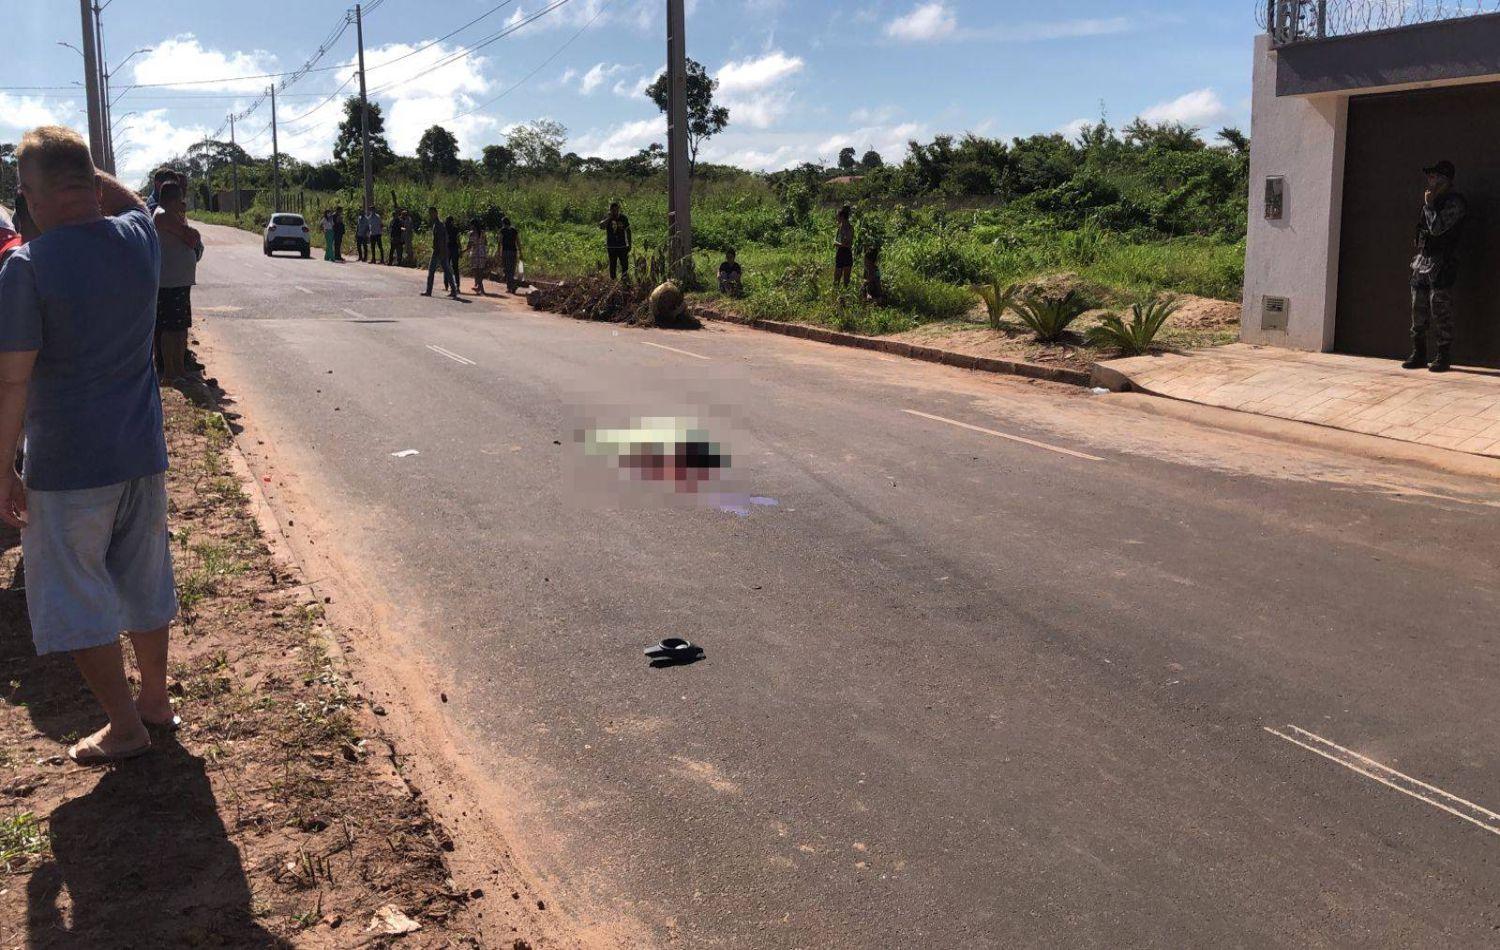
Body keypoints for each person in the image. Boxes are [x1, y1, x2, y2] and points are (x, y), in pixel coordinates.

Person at [0, 126, 178, 765]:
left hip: (67, 467)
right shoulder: (139, 241)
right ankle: (154, 700)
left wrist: (3, 468)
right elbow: (134, 205)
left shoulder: (27, 266)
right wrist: (87, 169)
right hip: (141, 454)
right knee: (145, 581)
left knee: (75, 595)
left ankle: (124, 726)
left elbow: (13, 381)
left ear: (29, 194)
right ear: (90, 182)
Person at [1403, 160, 1467, 373]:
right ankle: (1419, 353)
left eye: (1434, 177)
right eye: (1429, 177)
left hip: (1442, 261)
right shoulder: (1431, 202)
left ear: (1445, 180)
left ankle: (1442, 356)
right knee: (1417, 307)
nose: (1430, 181)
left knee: (1439, 309)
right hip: (1423, 260)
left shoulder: (1455, 203)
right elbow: (1423, 230)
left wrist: (1429, 206)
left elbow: (1438, 228)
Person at [152, 180, 202, 382]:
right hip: (169, 282)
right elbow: (192, 238)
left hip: (178, 281)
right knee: (170, 328)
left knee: (180, 327)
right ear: (173, 199)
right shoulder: (163, 215)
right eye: (180, 198)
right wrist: (192, 230)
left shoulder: (173, 215)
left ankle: (180, 369)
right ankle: (170, 371)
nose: (183, 202)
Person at [422, 206, 457, 299]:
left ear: (436, 213)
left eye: (432, 213)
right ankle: (453, 290)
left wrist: (441, 252)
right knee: (446, 271)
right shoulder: (437, 224)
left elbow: (442, 240)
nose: (430, 215)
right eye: (430, 213)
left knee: (433, 271)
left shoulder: (439, 225)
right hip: (440, 251)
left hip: (439, 251)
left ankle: (429, 291)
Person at [600, 201, 632, 280]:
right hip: (611, 246)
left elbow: (628, 231)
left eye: (616, 210)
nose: (615, 212)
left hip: (622, 246)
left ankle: (624, 280)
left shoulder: (623, 218)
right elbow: (601, 226)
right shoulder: (607, 217)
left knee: (624, 265)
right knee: (612, 265)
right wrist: (609, 218)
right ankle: (613, 281)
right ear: (610, 210)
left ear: (619, 209)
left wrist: (629, 244)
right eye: (613, 210)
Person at [833, 205, 855, 289]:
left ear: (842, 217)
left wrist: (839, 244)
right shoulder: (839, 228)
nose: (837, 218)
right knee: (836, 279)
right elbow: (836, 241)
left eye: (838, 216)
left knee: (846, 281)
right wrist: (841, 244)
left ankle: (845, 295)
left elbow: (848, 244)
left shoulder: (850, 228)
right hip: (840, 253)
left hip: (846, 253)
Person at [499, 216, 522, 294]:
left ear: (503, 223)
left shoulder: (503, 230)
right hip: (513, 252)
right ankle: (512, 285)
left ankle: (510, 287)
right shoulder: (514, 230)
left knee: (506, 269)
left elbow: (500, 242)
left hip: (506, 252)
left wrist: (498, 252)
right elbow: (518, 242)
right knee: (512, 269)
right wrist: (520, 252)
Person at [468, 222, 488, 295]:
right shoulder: (483, 233)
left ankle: (479, 286)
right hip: (482, 252)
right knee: (481, 270)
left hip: (475, 252)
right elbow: (486, 242)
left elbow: (469, 244)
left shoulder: (472, 233)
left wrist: (464, 251)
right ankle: (479, 286)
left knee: (475, 270)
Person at [445, 216, 464, 294]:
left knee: (446, 267)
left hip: (447, 248)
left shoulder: (445, 228)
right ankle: (457, 286)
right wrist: (460, 249)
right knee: (455, 268)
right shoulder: (455, 229)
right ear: (452, 221)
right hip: (454, 248)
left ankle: (446, 285)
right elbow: (458, 240)